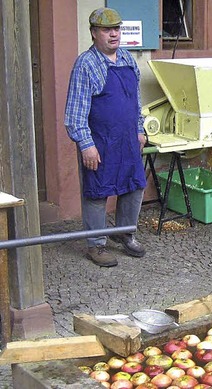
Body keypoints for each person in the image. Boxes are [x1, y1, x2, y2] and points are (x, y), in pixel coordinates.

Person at [64, 7, 147, 267]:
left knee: (134, 187)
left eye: (117, 29)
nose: (114, 34)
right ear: (93, 33)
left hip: (127, 139)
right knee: (97, 193)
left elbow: (135, 101)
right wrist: (86, 145)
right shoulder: (86, 64)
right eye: (106, 30)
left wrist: (140, 129)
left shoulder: (127, 59)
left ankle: (124, 234)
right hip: (99, 142)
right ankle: (96, 244)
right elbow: (75, 113)